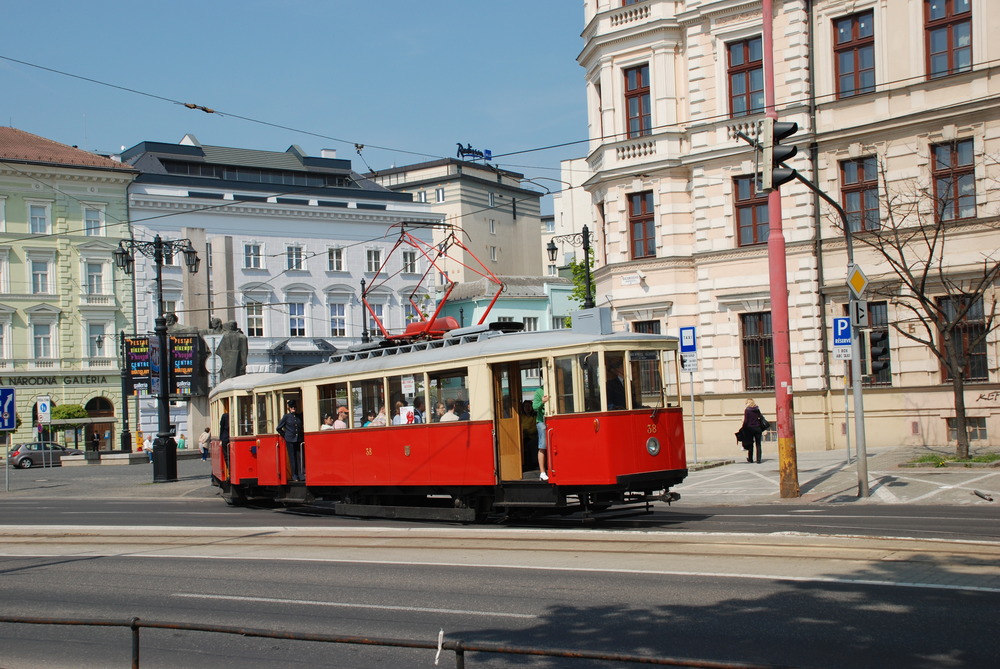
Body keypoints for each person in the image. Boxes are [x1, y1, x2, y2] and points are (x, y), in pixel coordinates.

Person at [276, 399, 305, 481]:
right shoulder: (286, 417)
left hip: (298, 439)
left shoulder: (299, 416)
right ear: (289, 408)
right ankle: (294, 475)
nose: (293, 409)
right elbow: (278, 428)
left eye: (294, 407)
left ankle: (301, 474)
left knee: (299, 457)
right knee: (292, 458)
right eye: (292, 407)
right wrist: (285, 435)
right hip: (290, 440)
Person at [741, 398, 766, 464]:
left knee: (750, 443)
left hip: (750, 428)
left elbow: (746, 420)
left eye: (746, 403)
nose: (746, 404)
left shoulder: (747, 410)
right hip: (758, 428)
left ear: (748, 403)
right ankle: (759, 460)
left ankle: (750, 459)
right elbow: (760, 417)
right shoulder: (757, 409)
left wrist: (743, 428)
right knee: (758, 444)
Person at [533, 387, 550, 481]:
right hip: (542, 422)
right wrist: (542, 402)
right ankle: (542, 472)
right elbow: (535, 407)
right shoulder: (539, 391)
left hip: (549, 421)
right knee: (542, 446)